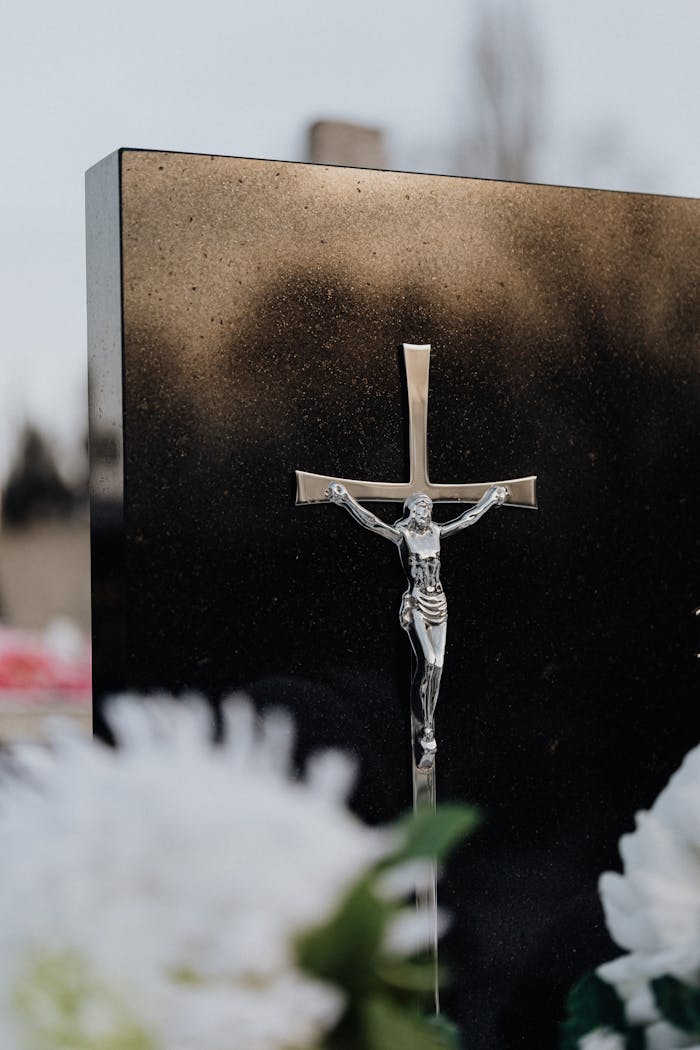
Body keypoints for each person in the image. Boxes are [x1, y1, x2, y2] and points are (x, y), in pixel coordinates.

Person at [326, 482, 507, 769]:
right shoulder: (404, 535)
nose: (426, 511)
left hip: (440, 603)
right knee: (431, 663)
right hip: (417, 603)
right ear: (410, 511)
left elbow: (467, 519)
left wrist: (490, 499)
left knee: (439, 668)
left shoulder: (436, 532)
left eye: (428, 508)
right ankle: (428, 730)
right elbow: (372, 522)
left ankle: (428, 725)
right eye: (421, 507)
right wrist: (346, 499)